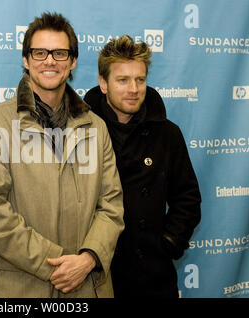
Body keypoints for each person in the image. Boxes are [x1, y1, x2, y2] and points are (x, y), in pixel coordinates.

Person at [0, 12, 125, 298]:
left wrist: (87, 260)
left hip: (87, 285)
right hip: (23, 287)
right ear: (26, 59)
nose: (49, 61)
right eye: (40, 52)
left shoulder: (96, 127)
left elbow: (112, 205)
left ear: (72, 62)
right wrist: (57, 265)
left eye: (59, 53)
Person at [84, 35, 201, 298]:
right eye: (122, 80)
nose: (133, 89)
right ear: (103, 84)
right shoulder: (81, 132)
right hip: (98, 276)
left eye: (140, 79)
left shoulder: (168, 134)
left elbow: (188, 198)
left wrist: (168, 243)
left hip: (153, 276)